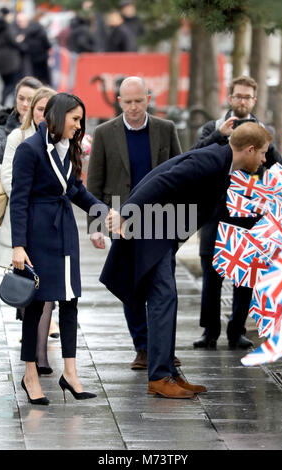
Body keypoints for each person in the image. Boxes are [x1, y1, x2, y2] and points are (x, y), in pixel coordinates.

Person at [101, 122, 273, 399]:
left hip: (161, 233)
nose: (265, 159)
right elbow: (161, 180)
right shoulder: (212, 161)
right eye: (263, 153)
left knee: (167, 299)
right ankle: (159, 377)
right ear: (250, 149)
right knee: (163, 298)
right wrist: (125, 213)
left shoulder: (221, 162)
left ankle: (168, 372)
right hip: (150, 230)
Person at [10, 93, 107, 405]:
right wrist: (18, 246)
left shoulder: (69, 147)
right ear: (58, 116)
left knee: (70, 301)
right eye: (75, 119)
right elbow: (20, 200)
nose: (79, 126)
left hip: (64, 231)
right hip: (38, 234)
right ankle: (30, 374)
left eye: (81, 120)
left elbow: (74, 189)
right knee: (36, 305)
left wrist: (102, 211)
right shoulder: (29, 149)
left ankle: (71, 372)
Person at [86, 76, 182, 370]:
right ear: (119, 102)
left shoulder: (166, 130)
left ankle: (163, 348)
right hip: (122, 221)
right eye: (127, 102)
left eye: (139, 101)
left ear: (148, 99)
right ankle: (142, 346)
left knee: (164, 287)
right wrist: (95, 227)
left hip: (161, 220)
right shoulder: (104, 133)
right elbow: (94, 183)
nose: (133, 107)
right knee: (132, 285)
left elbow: (181, 173)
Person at [191, 76, 282, 350]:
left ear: (253, 101)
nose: (242, 101)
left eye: (247, 97)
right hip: (215, 214)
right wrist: (218, 135)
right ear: (229, 98)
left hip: (248, 216)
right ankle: (209, 332)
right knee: (212, 275)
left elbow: (276, 165)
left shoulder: (262, 130)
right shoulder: (213, 127)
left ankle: (237, 331)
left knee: (245, 277)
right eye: (238, 95)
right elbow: (193, 158)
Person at [0, 86, 57, 374]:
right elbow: (8, 174)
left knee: (48, 292)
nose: (42, 114)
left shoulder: (62, 139)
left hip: (51, 227)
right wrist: (28, 199)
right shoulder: (16, 137)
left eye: (48, 109)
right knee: (27, 289)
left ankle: (40, 355)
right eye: (38, 108)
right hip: (23, 222)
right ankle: (31, 352)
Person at [0, 76, 42, 164]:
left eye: (30, 100)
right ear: (15, 98)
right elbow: (0, 155)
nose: (25, 104)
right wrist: (22, 127)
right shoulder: (4, 121)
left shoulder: (45, 125)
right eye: (21, 98)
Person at [0, 7, 23, 106]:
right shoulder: (7, 27)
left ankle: (2, 102)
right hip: (9, 60)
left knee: (6, 83)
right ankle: (2, 102)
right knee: (12, 83)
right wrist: (19, 41)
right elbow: (13, 41)